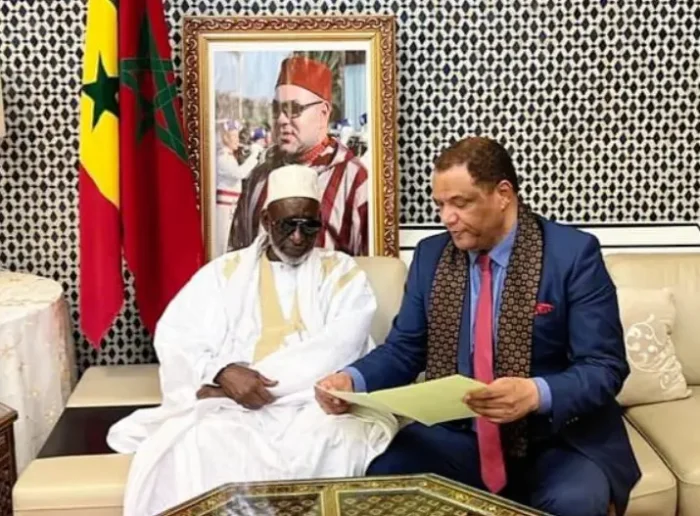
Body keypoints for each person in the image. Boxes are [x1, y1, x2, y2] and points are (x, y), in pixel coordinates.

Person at [316, 137, 641, 516]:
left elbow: (604, 366)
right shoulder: (431, 257)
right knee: (386, 481)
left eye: (460, 203)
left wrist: (535, 393)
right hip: (459, 433)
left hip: (558, 438)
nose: (446, 217)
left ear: (503, 194)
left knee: (575, 503)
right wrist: (351, 380)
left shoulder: (572, 255)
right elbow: (405, 350)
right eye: (440, 205)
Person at [108, 165, 397, 516]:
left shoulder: (341, 272)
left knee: (340, 438)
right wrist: (221, 373)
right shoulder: (223, 274)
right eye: (287, 224)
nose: (298, 237)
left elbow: (340, 347)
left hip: (314, 404)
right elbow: (178, 337)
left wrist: (239, 388)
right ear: (265, 220)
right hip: (236, 410)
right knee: (201, 441)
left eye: (309, 225)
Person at [228, 56, 369, 256]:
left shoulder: (355, 181)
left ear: (323, 113)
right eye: (276, 109)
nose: (281, 119)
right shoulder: (258, 178)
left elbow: (368, 266)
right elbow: (236, 256)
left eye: (294, 109)